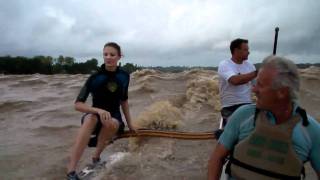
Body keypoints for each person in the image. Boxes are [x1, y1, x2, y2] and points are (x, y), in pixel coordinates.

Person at [208, 56, 320, 180]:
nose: (254, 89)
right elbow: (217, 158)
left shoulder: (311, 130)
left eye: (260, 85)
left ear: (282, 92)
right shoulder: (242, 115)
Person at [66, 42, 136, 179]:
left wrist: (130, 124)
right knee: (91, 118)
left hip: (114, 118)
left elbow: (124, 101)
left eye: (112, 54)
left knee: (111, 121)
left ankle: (96, 157)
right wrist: (97, 110)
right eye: (105, 54)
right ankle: (71, 171)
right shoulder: (95, 77)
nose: (108, 57)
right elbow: (78, 104)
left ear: (119, 57)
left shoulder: (124, 76)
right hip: (94, 114)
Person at [218, 38, 257, 128]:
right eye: (245, 50)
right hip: (230, 107)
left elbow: (258, 86)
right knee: (244, 127)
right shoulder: (224, 64)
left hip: (247, 105)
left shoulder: (250, 65)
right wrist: (257, 73)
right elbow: (235, 81)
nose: (248, 52)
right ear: (236, 50)